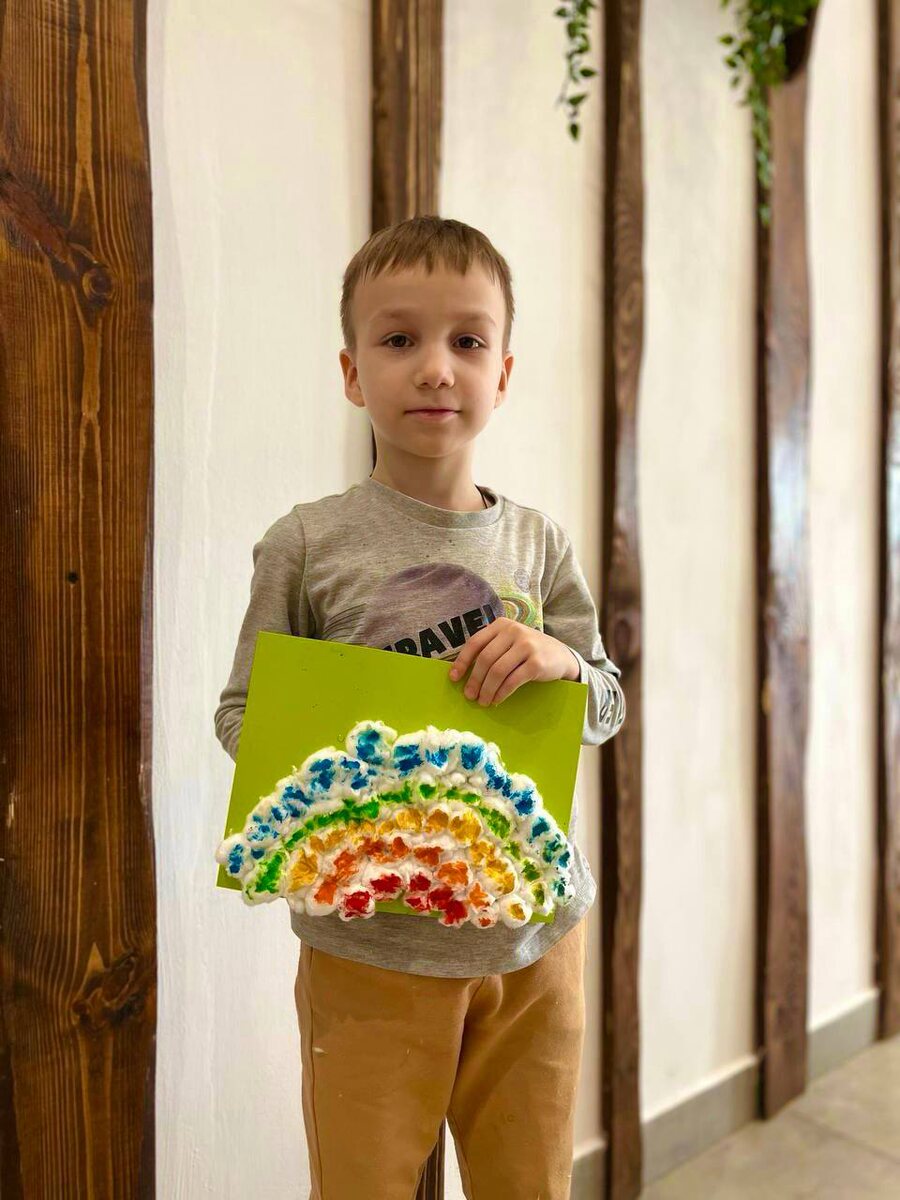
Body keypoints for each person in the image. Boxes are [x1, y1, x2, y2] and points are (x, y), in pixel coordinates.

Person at [214, 215, 626, 1200]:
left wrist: (565, 663)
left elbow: (608, 703)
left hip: (532, 943)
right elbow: (240, 715)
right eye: (399, 339)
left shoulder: (540, 545)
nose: (436, 368)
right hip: (367, 951)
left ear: (503, 374)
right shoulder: (305, 545)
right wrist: (348, 760)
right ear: (352, 373)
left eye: (468, 341)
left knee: (528, 1184)